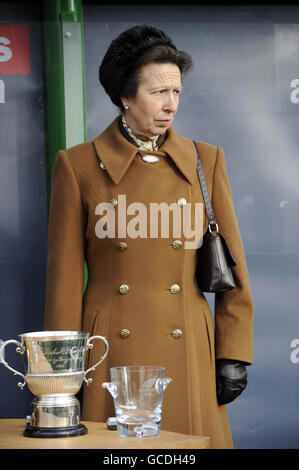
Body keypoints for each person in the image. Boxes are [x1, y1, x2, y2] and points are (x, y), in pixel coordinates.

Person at [44, 25, 254, 449]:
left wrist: (233, 351)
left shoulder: (205, 161)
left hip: (189, 348)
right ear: (126, 95)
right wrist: (60, 375)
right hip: (112, 355)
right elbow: (64, 283)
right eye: (158, 92)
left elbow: (233, 268)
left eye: (176, 92)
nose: (171, 104)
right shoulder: (78, 166)